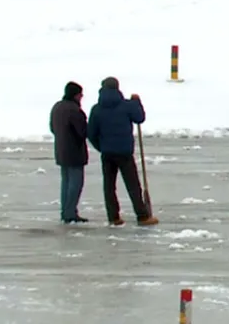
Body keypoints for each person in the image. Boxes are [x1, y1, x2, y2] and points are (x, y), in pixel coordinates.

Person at [87, 77, 158, 227]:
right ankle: (142, 215)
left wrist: (102, 146)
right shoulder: (126, 106)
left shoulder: (97, 109)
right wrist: (137, 103)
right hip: (124, 152)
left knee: (109, 186)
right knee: (133, 184)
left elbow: (91, 133)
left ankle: (113, 217)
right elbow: (139, 118)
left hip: (107, 153)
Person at [49, 81, 88, 224]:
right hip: (74, 151)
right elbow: (82, 132)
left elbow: (52, 128)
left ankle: (66, 211)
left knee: (66, 182)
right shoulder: (74, 110)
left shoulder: (57, 107)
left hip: (61, 149)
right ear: (76, 95)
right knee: (76, 183)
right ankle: (70, 212)